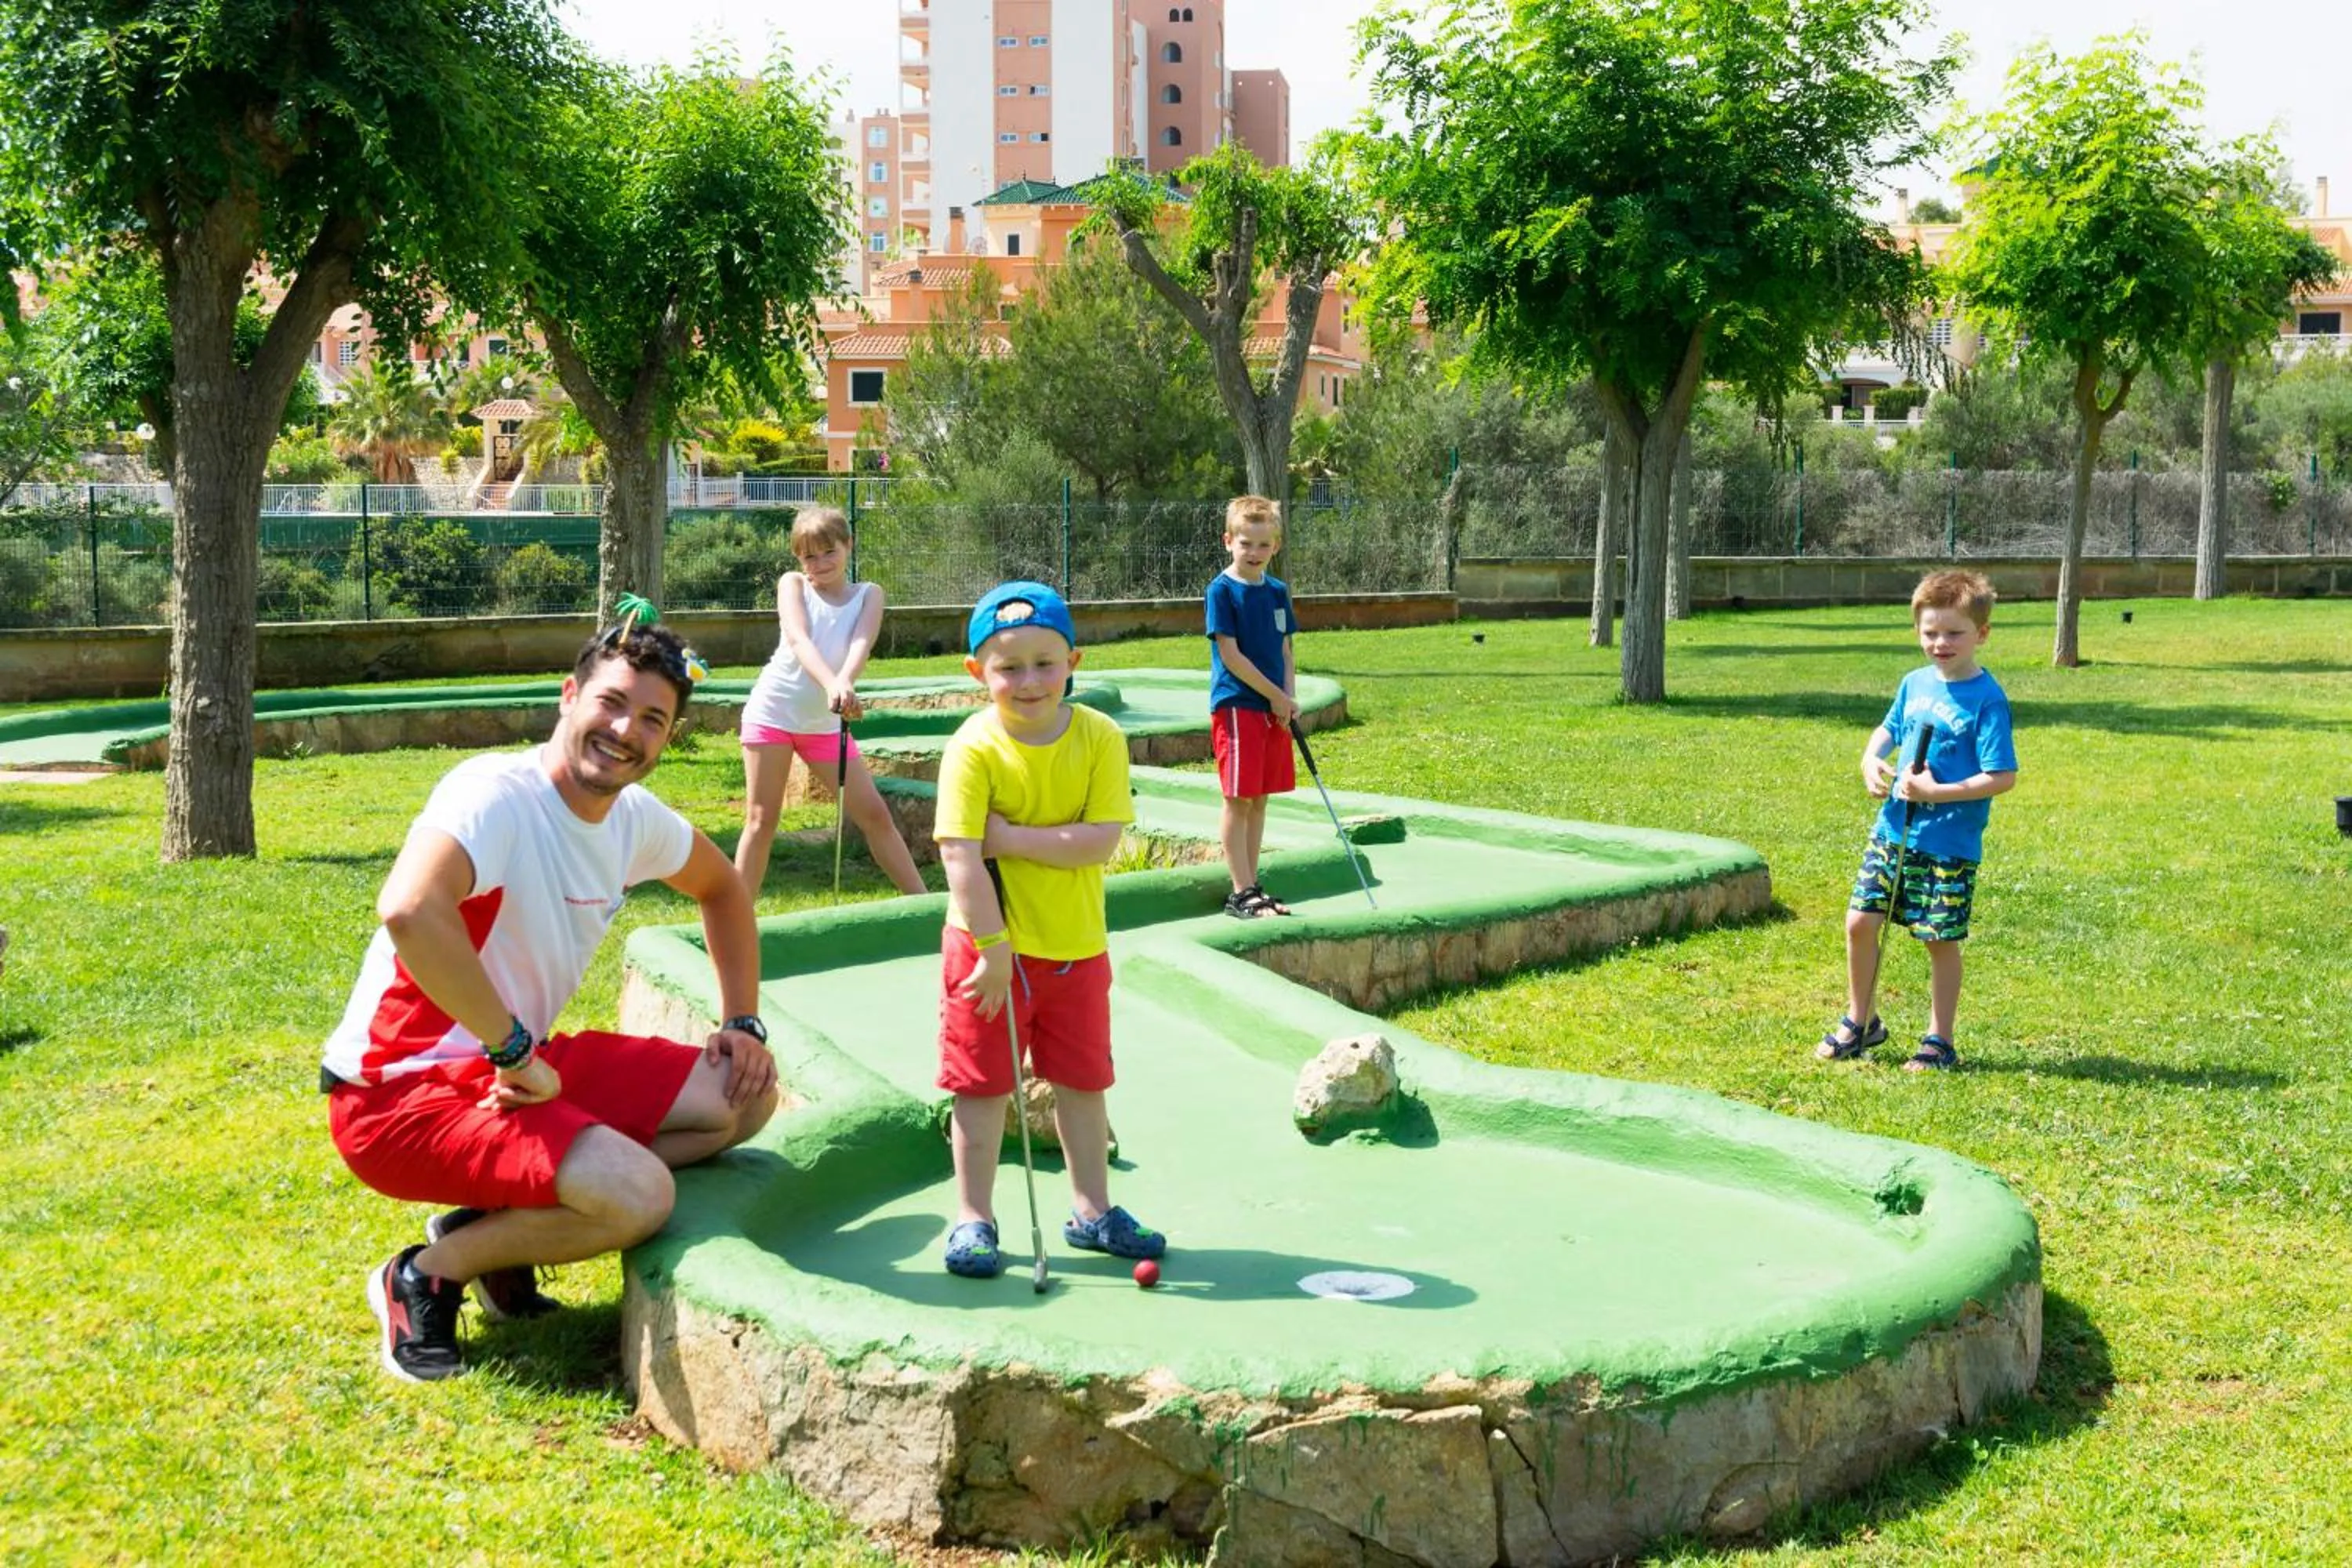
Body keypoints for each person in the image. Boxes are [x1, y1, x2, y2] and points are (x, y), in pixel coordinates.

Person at [321, 610, 780, 1381]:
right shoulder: (497, 794)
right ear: (568, 696)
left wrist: (742, 1022)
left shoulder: (632, 820)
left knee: (744, 1096)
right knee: (640, 1195)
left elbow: (724, 888)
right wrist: (511, 1048)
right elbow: (408, 908)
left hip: (515, 1072)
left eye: (652, 718)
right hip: (395, 1096)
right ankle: (428, 1272)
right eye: (610, 701)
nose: (625, 728)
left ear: (667, 739)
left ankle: (505, 1226)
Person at [932, 581, 1167, 1278]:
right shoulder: (972, 749)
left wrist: (1008, 837)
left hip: (1076, 950)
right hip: (987, 951)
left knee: (1083, 1083)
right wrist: (995, 949)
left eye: (1044, 662)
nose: (1028, 681)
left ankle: (1092, 1211)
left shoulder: (1100, 737)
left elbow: (1098, 844)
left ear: (1074, 662)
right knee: (979, 1089)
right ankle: (974, 1218)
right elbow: (959, 856)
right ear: (978, 673)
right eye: (1008, 667)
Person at [1817, 569, 2019, 1073]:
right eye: (1931, 632)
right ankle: (1862, 1021)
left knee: (1938, 939)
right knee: (1861, 922)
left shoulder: (1986, 700)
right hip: (1893, 830)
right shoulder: (1914, 683)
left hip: (1948, 844)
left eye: (1954, 633)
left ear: (1982, 634)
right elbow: (1887, 728)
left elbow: (2001, 776)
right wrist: (1870, 760)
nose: (1941, 643)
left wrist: (1937, 792)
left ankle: (1939, 1040)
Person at [735, 507, 926, 898]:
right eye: (809, 556)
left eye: (829, 551)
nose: (820, 563)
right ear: (798, 559)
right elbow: (799, 639)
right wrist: (832, 684)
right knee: (761, 820)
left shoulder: (869, 595)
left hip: (824, 725)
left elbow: (861, 642)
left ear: (848, 546)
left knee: (875, 815)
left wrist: (844, 682)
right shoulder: (793, 585)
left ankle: (925, 908)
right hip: (772, 714)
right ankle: (733, 920)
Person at [1203, 494, 1298, 919]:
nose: (1254, 553)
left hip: (1271, 708)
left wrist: (1287, 698)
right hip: (1239, 706)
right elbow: (1231, 655)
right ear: (1228, 541)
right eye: (1246, 544)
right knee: (1238, 798)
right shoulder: (1221, 591)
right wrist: (1273, 695)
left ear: (1275, 546)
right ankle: (1239, 892)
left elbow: (1285, 649)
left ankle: (1253, 885)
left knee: (1260, 798)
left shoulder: (1277, 592)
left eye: (1263, 545)